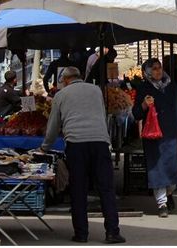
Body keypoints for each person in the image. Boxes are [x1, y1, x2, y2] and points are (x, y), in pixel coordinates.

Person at [41, 68, 125, 244]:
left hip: (76, 144)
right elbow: (102, 115)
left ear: (64, 79)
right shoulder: (96, 90)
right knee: (106, 188)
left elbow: (53, 125)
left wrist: (45, 147)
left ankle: (81, 234)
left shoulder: (61, 95)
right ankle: (112, 232)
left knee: (78, 189)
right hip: (100, 142)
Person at [132, 58, 177, 218]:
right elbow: (136, 114)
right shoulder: (144, 88)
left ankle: (169, 193)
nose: (158, 71)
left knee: (174, 169)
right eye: (154, 69)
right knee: (158, 169)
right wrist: (144, 105)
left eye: (159, 68)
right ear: (147, 72)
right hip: (154, 137)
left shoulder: (171, 86)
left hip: (174, 133)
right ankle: (161, 204)